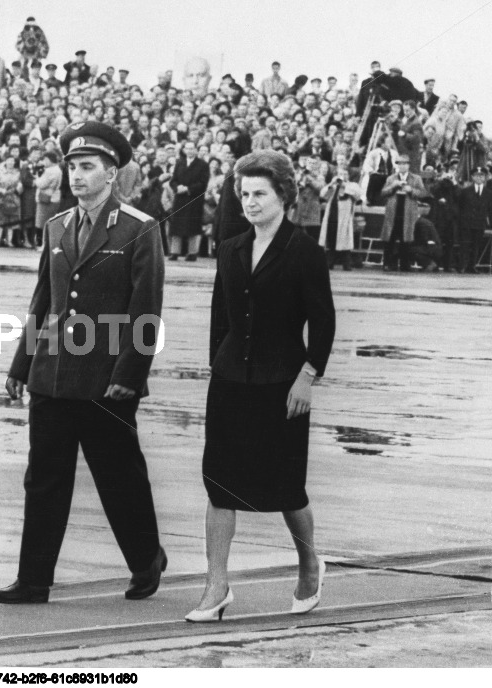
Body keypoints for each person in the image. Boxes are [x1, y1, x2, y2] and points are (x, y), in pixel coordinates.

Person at [0, 121, 166, 604]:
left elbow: (146, 310)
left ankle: (146, 558)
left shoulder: (138, 228)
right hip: (52, 376)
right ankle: (33, 580)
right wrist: (21, 365)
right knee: (44, 479)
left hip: (105, 381)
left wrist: (129, 376)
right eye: (71, 166)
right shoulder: (56, 226)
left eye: (87, 167)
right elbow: (43, 301)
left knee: (119, 479)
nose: (76, 176)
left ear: (112, 174)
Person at [189, 149, 335, 623]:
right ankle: (216, 586)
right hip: (232, 381)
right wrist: (218, 365)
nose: (250, 203)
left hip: (284, 383)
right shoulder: (230, 248)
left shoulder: (305, 251)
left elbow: (324, 322)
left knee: (287, 487)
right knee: (220, 483)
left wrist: (308, 377)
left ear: (284, 197)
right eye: (244, 194)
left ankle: (310, 564)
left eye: (260, 194)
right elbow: (220, 317)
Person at [379, 153, 427, 271]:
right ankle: (387, 263)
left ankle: (405, 264)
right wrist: (393, 187)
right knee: (389, 239)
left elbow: (423, 194)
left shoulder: (416, 178)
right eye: (400, 164)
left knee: (406, 240)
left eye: (404, 164)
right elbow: (383, 193)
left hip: (408, 213)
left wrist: (411, 190)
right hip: (393, 213)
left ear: (408, 165)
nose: (402, 166)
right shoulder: (391, 178)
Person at [167, 140, 210, 260]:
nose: (190, 151)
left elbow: (203, 183)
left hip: (194, 199)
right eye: (187, 148)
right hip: (180, 198)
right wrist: (177, 187)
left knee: (193, 226)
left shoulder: (202, 165)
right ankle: (174, 252)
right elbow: (173, 180)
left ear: (196, 150)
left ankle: (192, 253)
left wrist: (188, 189)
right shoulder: (179, 163)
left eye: (192, 148)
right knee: (176, 226)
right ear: (184, 150)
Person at [318, 168, 363, 270]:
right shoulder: (334, 186)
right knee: (331, 239)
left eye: (344, 173)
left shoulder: (352, 185)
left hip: (344, 217)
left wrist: (344, 185)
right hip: (332, 216)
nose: (342, 175)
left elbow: (358, 195)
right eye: (340, 174)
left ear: (348, 175)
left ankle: (346, 264)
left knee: (344, 240)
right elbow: (323, 195)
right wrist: (331, 183)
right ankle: (330, 262)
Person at [456, 166, 492, 274]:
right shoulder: (465, 191)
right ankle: (462, 266)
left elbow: (490, 209)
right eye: (477, 175)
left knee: (476, 245)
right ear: (472, 177)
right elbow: (460, 206)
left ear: (485, 177)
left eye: (482, 176)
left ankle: (472, 266)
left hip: (480, 222)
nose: (479, 178)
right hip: (466, 222)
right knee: (465, 244)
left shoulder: (489, 193)